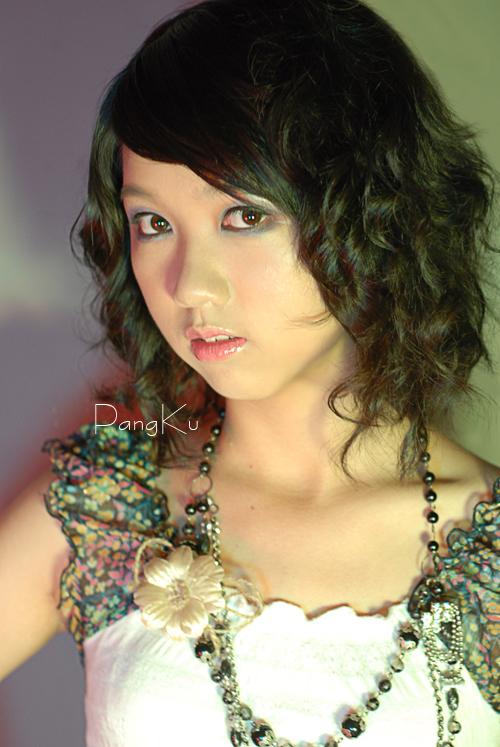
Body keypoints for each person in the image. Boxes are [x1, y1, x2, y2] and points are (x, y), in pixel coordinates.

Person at [1, 0, 499, 744]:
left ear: (373, 212)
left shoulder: (487, 549)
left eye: (244, 216)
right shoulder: (111, 507)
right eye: (153, 224)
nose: (189, 285)